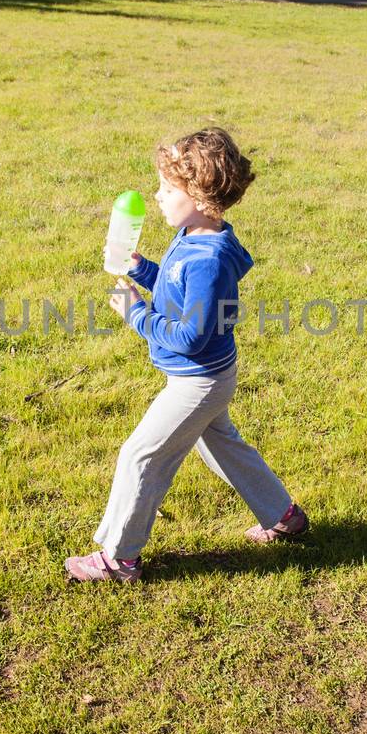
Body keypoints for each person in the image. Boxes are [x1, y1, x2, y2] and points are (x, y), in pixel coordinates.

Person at [65, 127, 308, 583]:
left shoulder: (208, 259)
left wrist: (137, 316)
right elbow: (178, 292)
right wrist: (143, 268)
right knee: (223, 446)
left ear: (199, 196)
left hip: (199, 380)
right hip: (209, 377)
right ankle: (284, 514)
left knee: (141, 455)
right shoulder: (196, 235)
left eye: (168, 188)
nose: (157, 196)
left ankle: (119, 559)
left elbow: (190, 335)